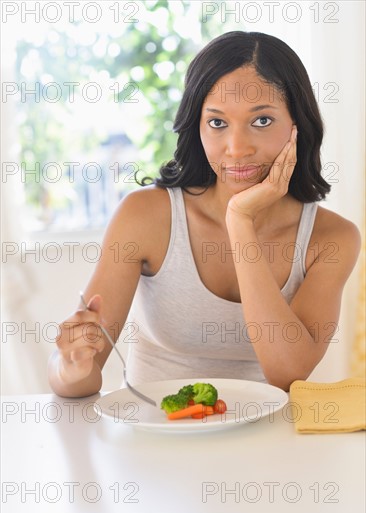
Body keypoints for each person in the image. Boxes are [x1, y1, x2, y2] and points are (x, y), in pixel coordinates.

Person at [48, 31, 360, 398]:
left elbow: (288, 373)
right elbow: (78, 383)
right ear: (196, 126)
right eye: (217, 122)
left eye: (261, 121)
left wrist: (240, 222)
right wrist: (71, 368)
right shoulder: (145, 216)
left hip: (268, 445)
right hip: (156, 435)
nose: (237, 148)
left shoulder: (331, 238)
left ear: (298, 125)